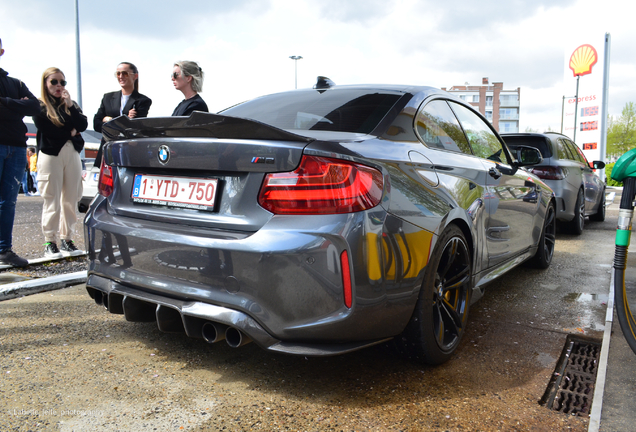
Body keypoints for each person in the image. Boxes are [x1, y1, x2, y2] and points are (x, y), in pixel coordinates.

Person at [33, 67, 87, 258]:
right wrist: (70, 132)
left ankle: (67, 239)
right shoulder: (39, 106)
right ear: (45, 84)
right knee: (52, 199)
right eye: (54, 82)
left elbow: (83, 125)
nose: (58, 86)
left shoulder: (70, 104)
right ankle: (50, 241)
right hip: (50, 154)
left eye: (62, 82)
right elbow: (49, 131)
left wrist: (70, 105)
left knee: (71, 198)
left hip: (72, 152)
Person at [0, 37, 40, 267]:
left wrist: (6, 102)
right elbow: (25, 106)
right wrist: (18, 105)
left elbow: (35, 106)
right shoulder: (17, 90)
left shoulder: (15, 82)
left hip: (16, 147)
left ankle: (4, 249)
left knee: (9, 202)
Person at [94, 62, 152, 167]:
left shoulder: (143, 101)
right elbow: (96, 124)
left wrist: (109, 121)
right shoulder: (108, 98)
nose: (121, 77)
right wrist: (125, 118)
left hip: (130, 153)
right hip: (108, 152)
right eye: (118, 73)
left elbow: (135, 128)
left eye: (125, 73)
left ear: (135, 76)